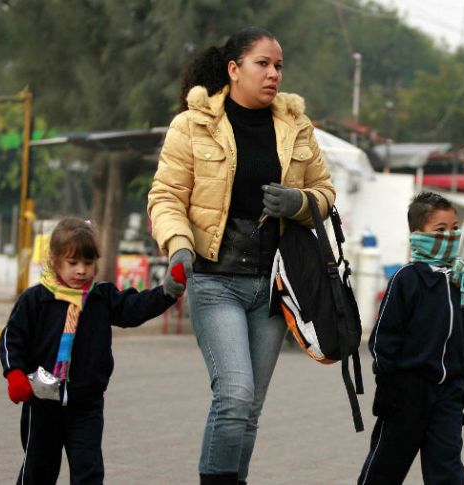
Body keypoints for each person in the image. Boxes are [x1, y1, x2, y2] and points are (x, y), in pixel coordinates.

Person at [147, 26, 335, 485]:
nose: (273, 74)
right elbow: (166, 195)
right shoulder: (192, 125)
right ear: (234, 69)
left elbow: (325, 192)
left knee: (249, 409)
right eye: (262, 64)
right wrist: (178, 245)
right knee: (233, 395)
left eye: (279, 66)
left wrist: (300, 203)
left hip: (274, 287)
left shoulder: (297, 127)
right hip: (215, 281)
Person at [0, 217, 184, 485]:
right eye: (73, 263)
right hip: (41, 404)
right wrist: (14, 373)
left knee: (89, 472)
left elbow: (134, 308)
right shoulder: (35, 300)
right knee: (38, 471)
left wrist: (167, 293)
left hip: (86, 406)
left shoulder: (101, 297)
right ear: (54, 259)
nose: (81, 270)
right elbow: (12, 338)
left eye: (88, 263)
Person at [357, 192, 464, 485]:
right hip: (407, 392)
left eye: (454, 228)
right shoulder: (407, 279)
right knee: (386, 466)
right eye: (440, 230)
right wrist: (388, 385)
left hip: (449, 394)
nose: (450, 235)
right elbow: (383, 339)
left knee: (447, 467)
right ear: (418, 235)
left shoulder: (462, 281)